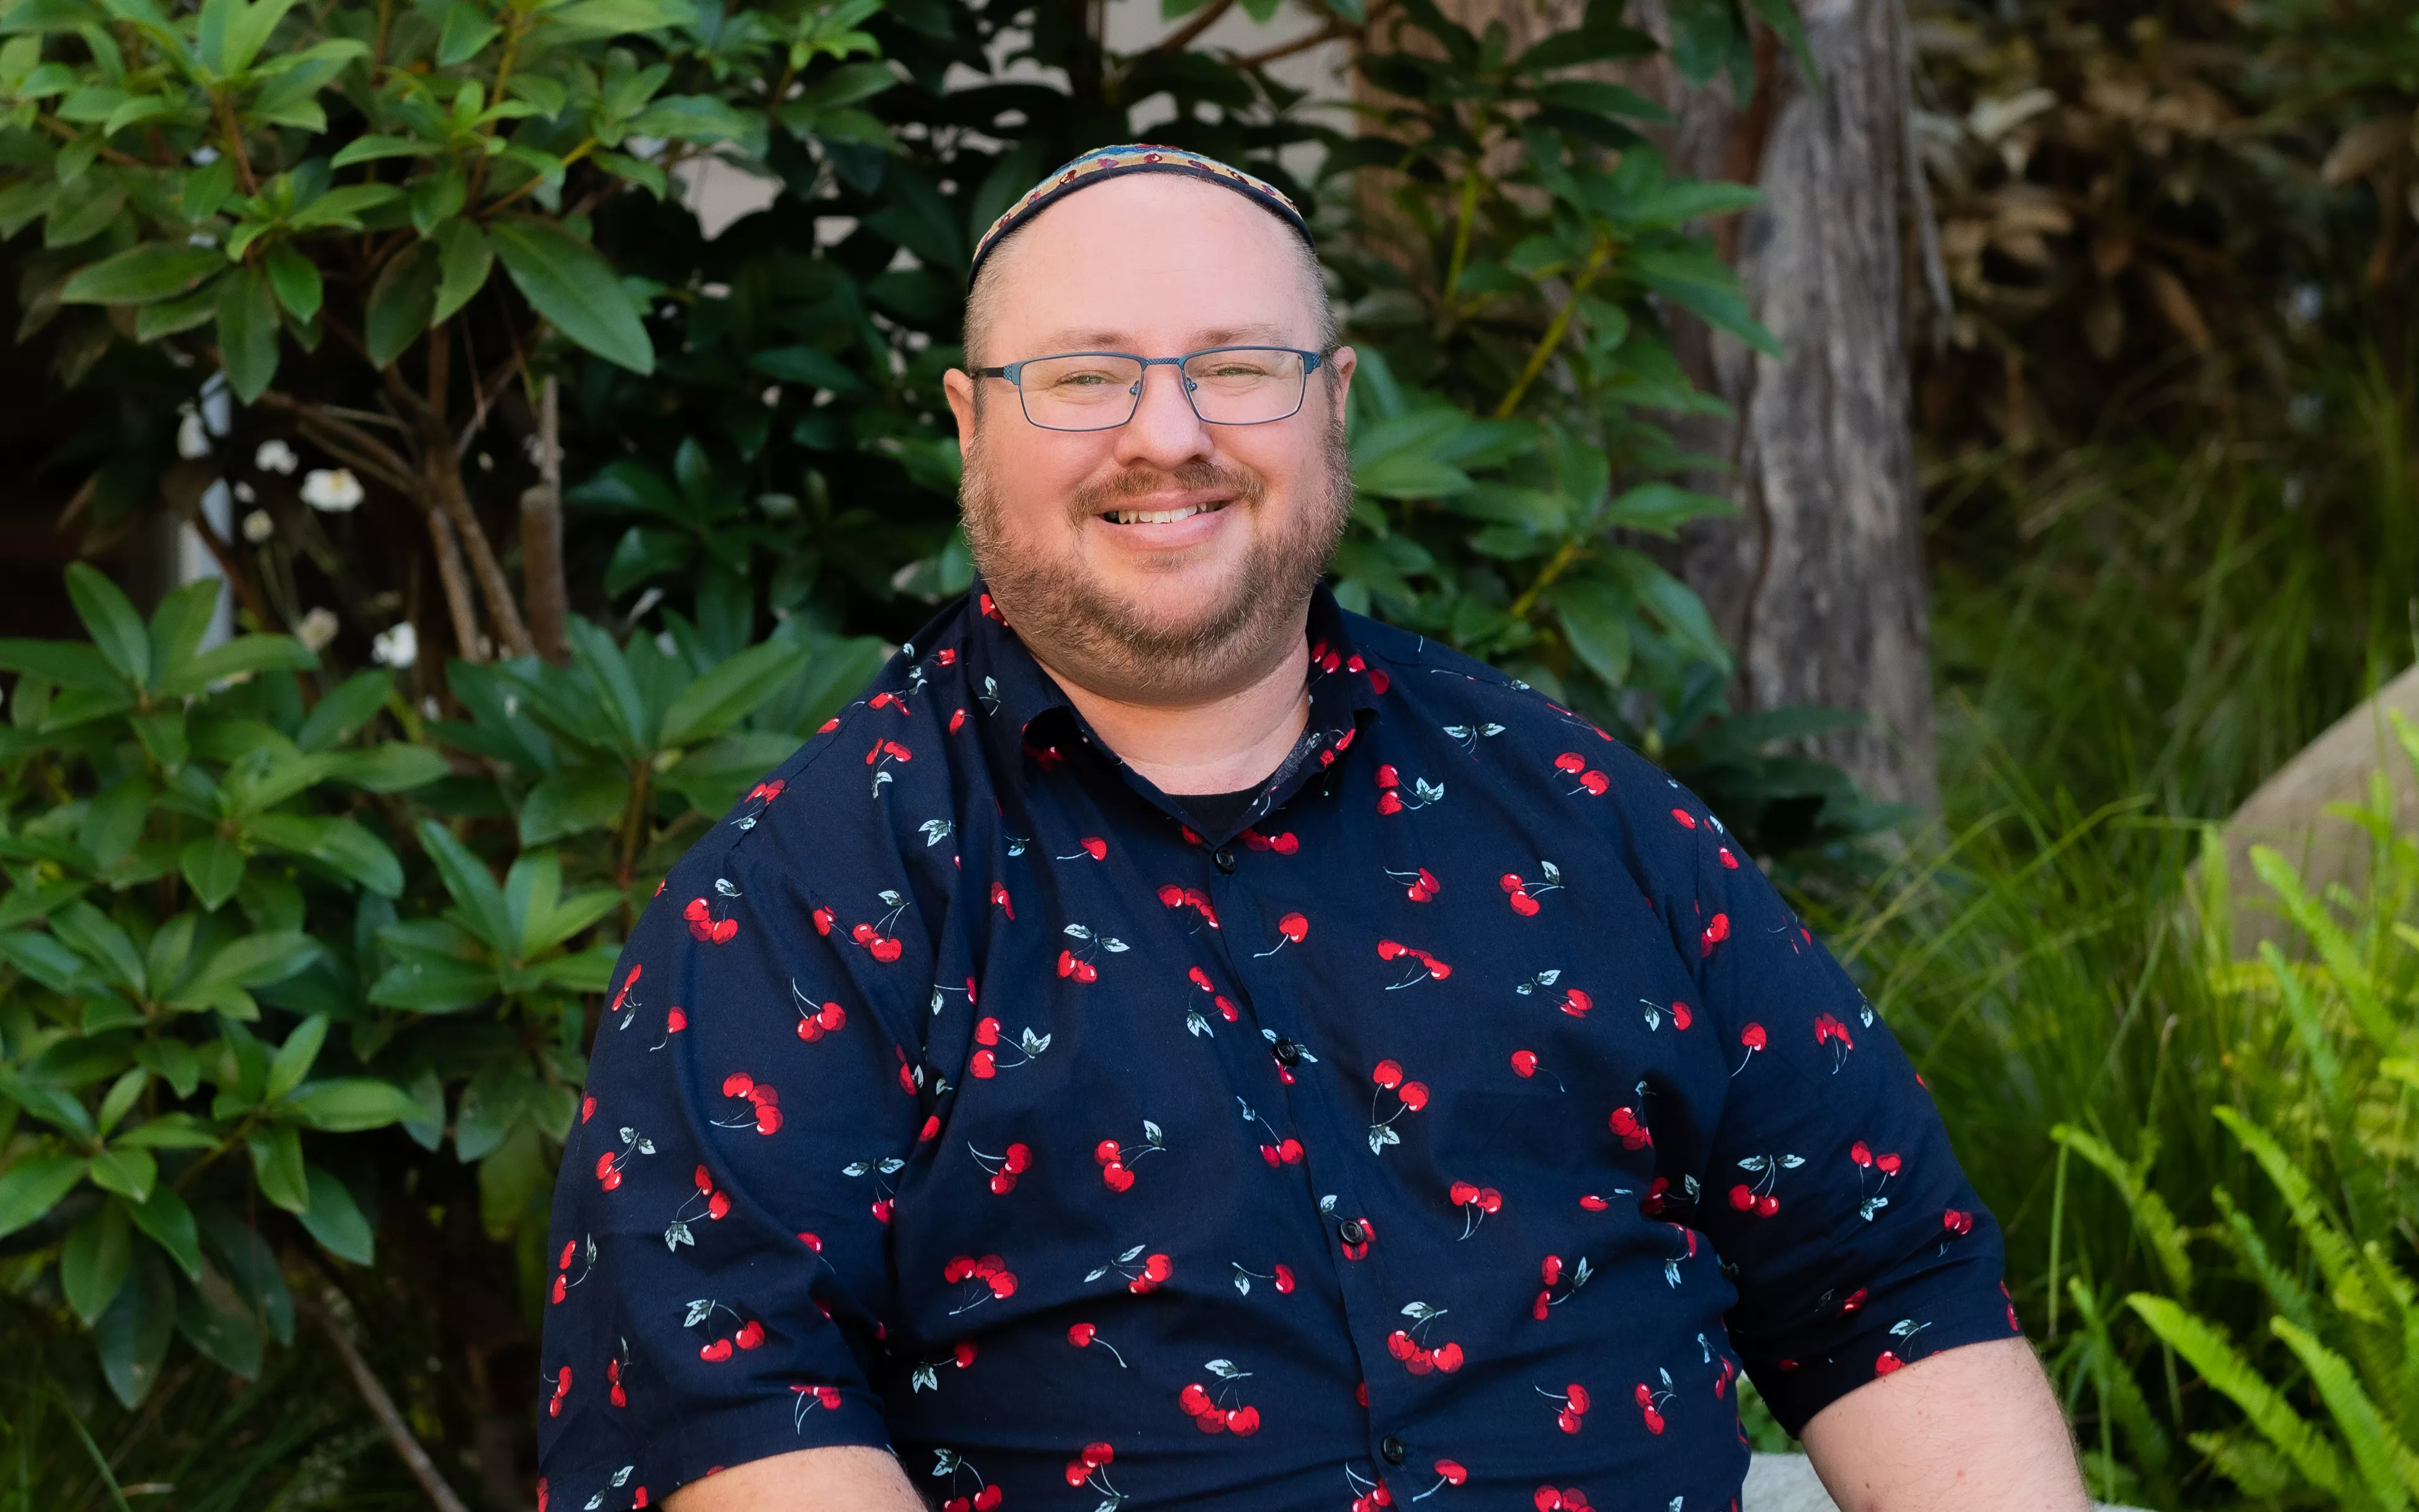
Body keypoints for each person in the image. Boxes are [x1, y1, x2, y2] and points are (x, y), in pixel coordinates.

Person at [536, 145, 2091, 1512]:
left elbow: (1886, 1287)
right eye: (1081, 376)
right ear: (969, 424)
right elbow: (735, 1411)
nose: (1166, 433)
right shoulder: (800, 897)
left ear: (1333, 402)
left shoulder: (1584, 817)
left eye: (1236, 365)